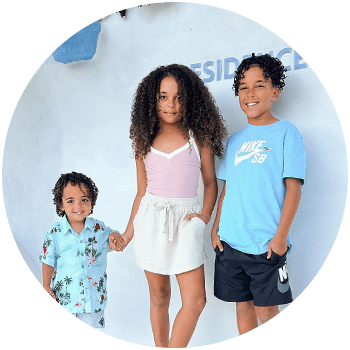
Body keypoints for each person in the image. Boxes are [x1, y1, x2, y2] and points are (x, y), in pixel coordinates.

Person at [120, 64, 227, 348]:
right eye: (163, 97)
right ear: (152, 100)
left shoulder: (198, 136)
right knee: (159, 297)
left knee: (195, 301)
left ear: (189, 99)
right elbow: (141, 192)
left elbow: (210, 183)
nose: (171, 104)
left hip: (185, 225)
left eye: (179, 97)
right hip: (150, 223)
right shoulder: (142, 141)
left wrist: (202, 219)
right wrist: (128, 234)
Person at [211, 54, 306, 335]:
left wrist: (279, 239)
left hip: (266, 244)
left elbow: (294, 189)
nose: (249, 94)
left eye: (259, 85)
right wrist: (216, 229)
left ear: (275, 92)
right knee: (243, 306)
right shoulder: (236, 140)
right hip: (231, 243)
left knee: (267, 311)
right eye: (242, 87)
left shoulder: (288, 133)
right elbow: (227, 188)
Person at [39, 171, 124, 329]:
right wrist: (46, 286)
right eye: (70, 201)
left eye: (84, 200)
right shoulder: (54, 232)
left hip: (93, 301)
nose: (78, 206)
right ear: (61, 204)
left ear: (91, 202)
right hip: (64, 299)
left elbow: (112, 239)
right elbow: (48, 260)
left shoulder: (99, 228)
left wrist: (114, 234)